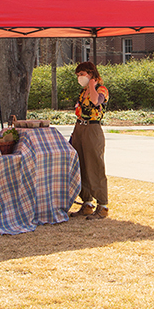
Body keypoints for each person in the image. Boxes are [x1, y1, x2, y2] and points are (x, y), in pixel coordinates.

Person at [69, 62, 110, 220]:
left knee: (95, 166)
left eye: (83, 74)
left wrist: (92, 86)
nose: (80, 78)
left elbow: (95, 102)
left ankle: (102, 204)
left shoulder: (101, 90)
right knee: (81, 166)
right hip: (79, 128)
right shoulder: (83, 91)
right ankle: (87, 203)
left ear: (91, 74)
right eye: (78, 75)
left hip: (93, 129)